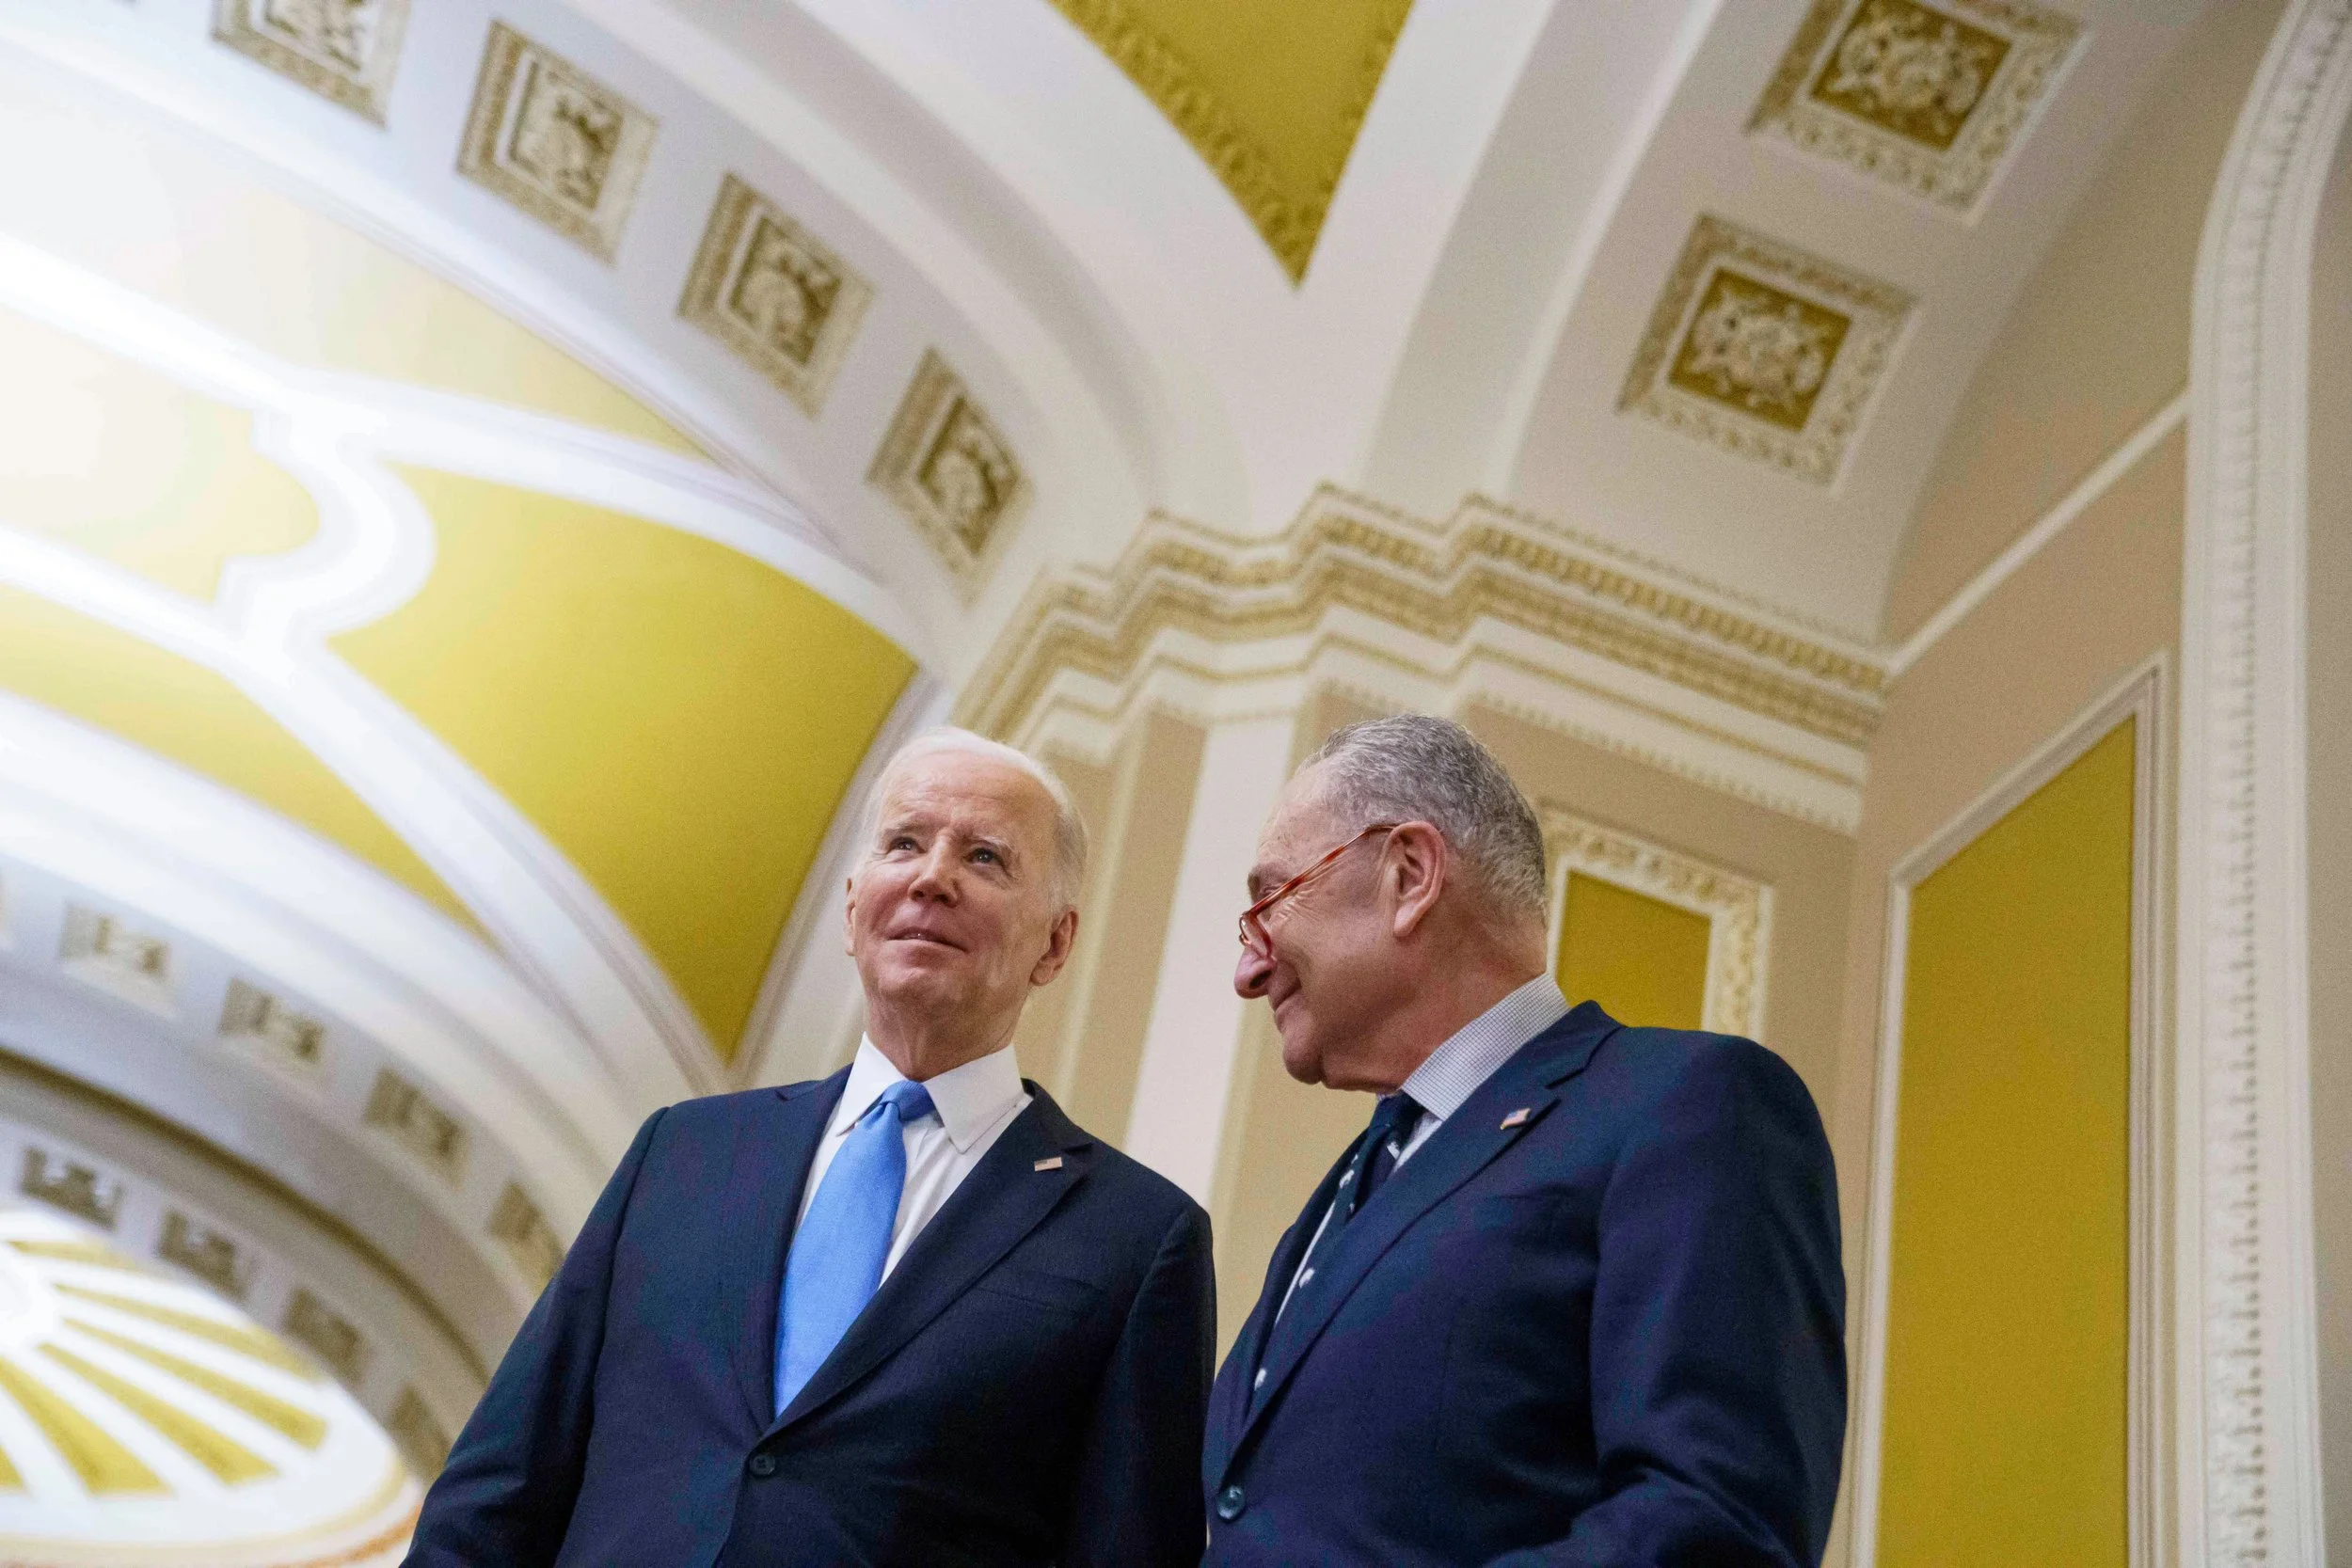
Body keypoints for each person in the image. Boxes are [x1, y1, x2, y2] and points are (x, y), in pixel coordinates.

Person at [405, 729, 1215, 1568]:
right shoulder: (682, 1153)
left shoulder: (1135, 1238)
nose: (931, 876)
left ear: (1054, 943)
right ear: (853, 908)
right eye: (904, 842)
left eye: (984, 857)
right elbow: (500, 1487)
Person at [1202, 715, 1845, 1566]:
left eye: (1272, 900)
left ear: (1409, 874)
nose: (1248, 970)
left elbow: (1715, 1521)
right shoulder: (1342, 1200)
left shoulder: (1687, 1104)